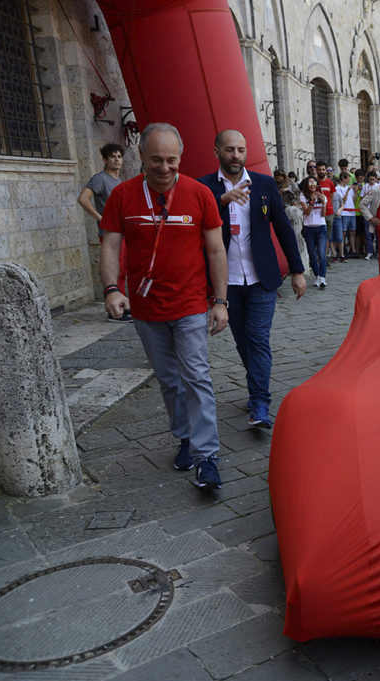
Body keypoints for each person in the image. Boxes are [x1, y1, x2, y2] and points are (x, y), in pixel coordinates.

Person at [100, 122, 228, 489]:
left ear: (180, 158)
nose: (165, 167)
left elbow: (216, 250)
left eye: (172, 159)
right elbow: (110, 246)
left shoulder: (200, 193)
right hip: (145, 309)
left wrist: (220, 301)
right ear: (140, 155)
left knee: (197, 377)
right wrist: (111, 289)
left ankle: (207, 457)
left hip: (190, 304)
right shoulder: (122, 196)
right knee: (169, 380)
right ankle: (185, 438)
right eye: (156, 159)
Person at [198, 129, 307, 429]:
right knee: (243, 341)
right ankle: (255, 387)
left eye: (241, 150)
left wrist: (297, 270)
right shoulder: (203, 188)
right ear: (217, 151)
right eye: (230, 150)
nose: (236, 155)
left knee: (258, 339)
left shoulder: (263, 184)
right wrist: (221, 201)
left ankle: (260, 402)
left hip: (261, 278)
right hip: (226, 283)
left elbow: (283, 228)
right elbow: (194, 224)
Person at [78, 143, 129, 322]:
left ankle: (122, 304)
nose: (117, 160)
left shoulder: (119, 181)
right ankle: (114, 311)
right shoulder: (100, 179)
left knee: (123, 270)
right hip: (109, 233)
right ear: (105, 159)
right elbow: (83, 199)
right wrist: (101, 218)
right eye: (113, 156)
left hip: (123, 232)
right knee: (115, 270)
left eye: (119, 156)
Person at [298, 176, 328, 288]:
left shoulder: (322, 196)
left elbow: (323, 214)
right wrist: (312, 201)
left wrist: (323, 202)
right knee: (312, 253)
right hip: (309, 227)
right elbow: (307, 212)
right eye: (310, 183)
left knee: (321, 253)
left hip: (321, 226)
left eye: (314, 183)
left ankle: (323, 277)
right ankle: (317, 276)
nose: (312, 185)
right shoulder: (303, 196)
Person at [315, 161, 337, 260]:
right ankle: (316, 257)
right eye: (319, 169)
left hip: (328, 212)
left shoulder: (330, 182)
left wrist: (327, 204)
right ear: (316, 170)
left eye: (323, 169)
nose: (321, 171)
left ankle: (324, 257)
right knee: (316, 236)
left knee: (326, 236)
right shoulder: (314, 182)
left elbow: (331, 196)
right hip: (316, 213)